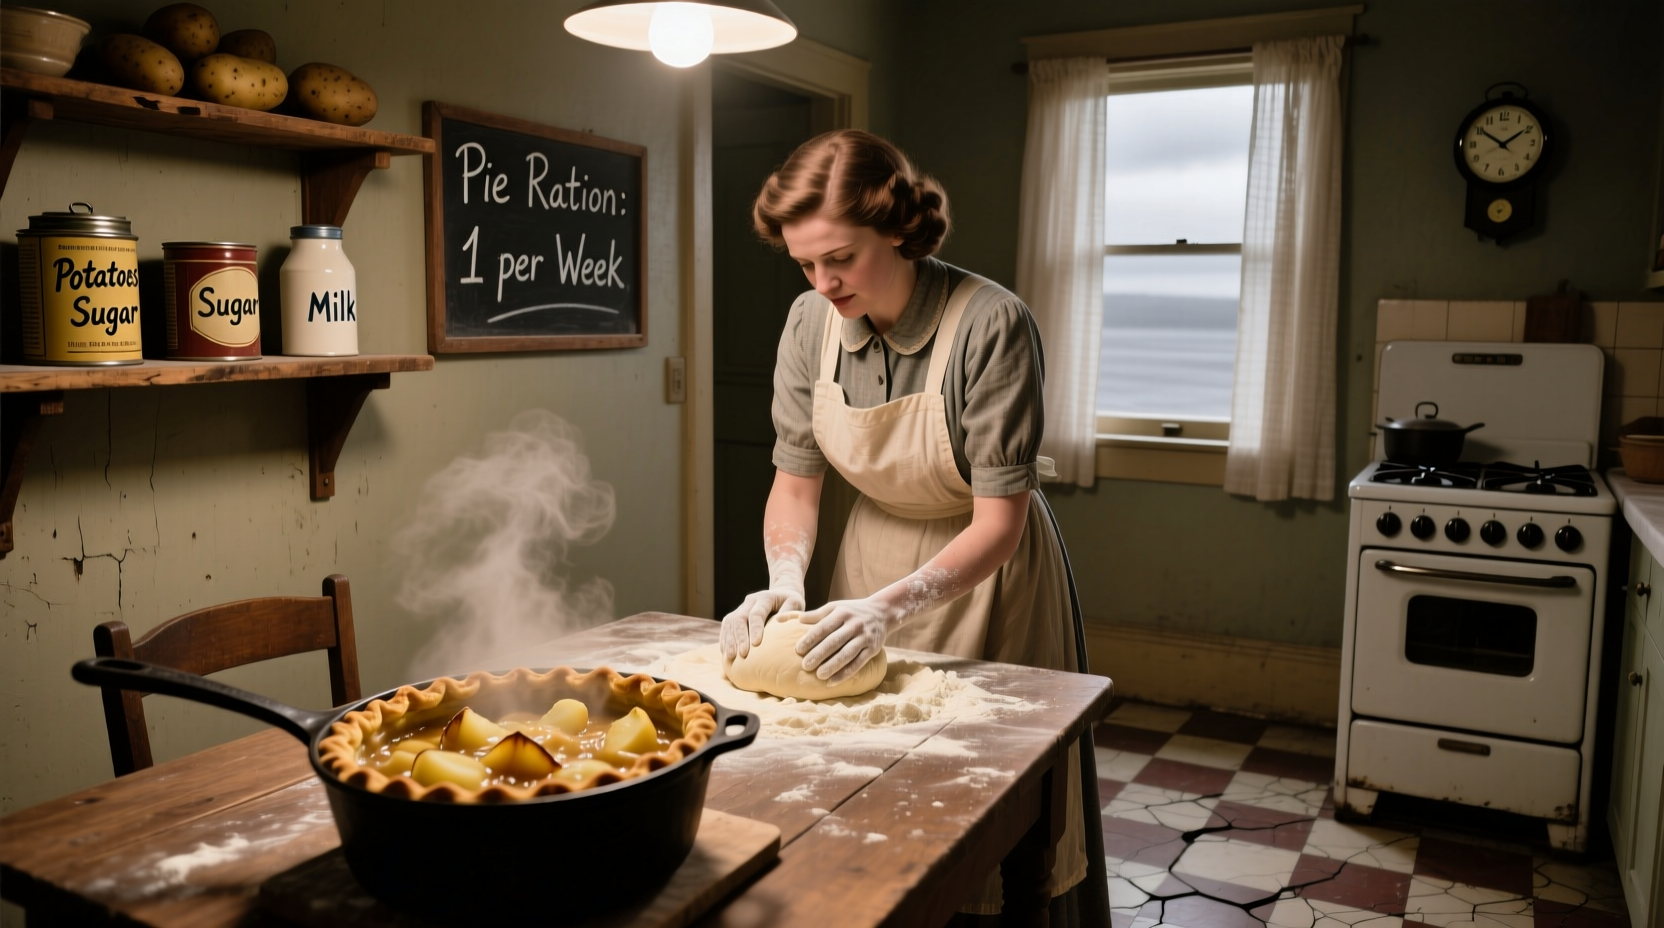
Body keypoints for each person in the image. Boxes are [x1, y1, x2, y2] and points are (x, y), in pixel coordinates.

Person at [717, 129, 1087, 919]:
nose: (824, 283)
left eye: (841, 258)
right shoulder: (808, 325)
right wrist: (785, 583)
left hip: (986, 572)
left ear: (896, 228)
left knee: (980, 804)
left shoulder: (991, 323)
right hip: (867, 561)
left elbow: (1000, 521)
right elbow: (795, 485)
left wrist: (889, 610)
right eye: (805, 264)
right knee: (869, 800)